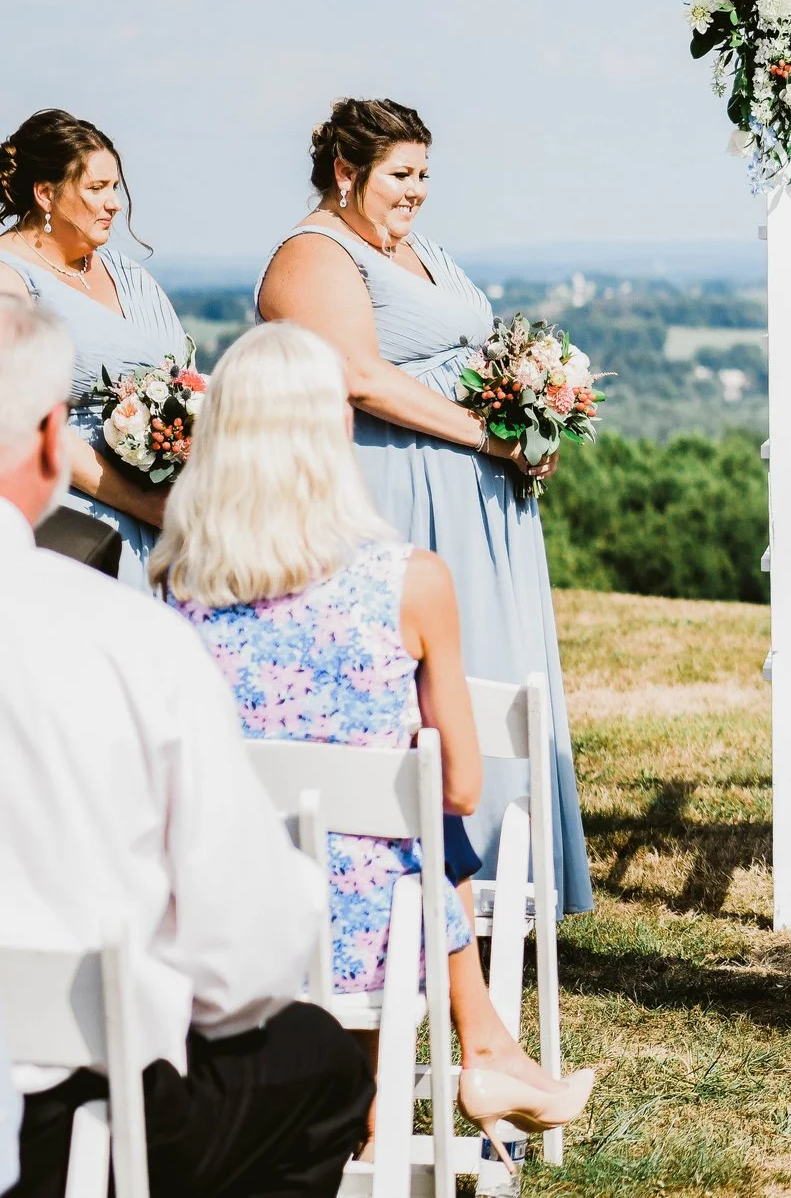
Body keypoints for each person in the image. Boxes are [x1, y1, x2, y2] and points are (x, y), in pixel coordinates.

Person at [153, 321, 596, 1147]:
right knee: (432, 823)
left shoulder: (177, 590)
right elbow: (461, 786)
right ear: (336, 436)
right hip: (370, 936)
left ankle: (393, 1095)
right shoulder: (407, 582)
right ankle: (473, 1054)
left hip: (220, 924)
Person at [0, 300, 372, 1198]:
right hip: (59, 1120)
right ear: (54, 442)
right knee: (320, 1062)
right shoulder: (123, 642)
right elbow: (242, 958)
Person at [255, 98, 591, 915]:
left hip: (480, 494)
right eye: (400, 174)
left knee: (500, 662)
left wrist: (534, 408)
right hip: (402, 487)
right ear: (346, 172)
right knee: (434, 683)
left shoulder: (411, 247)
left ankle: (513, 885)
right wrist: (490, 437)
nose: (417, 190)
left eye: (425, 174)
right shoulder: (314, 254)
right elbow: (361, 376)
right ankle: (433, 893)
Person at [0, 110, 187, 587]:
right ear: (46, 193)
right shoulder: (9, 279)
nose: (114, 204)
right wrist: (145, 504)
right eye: (97, 188)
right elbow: (23, 418)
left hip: (167, 514)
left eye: (116, 188)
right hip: (75, 518)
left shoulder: (128, 274)